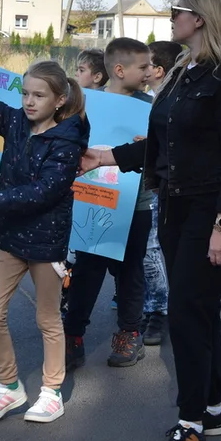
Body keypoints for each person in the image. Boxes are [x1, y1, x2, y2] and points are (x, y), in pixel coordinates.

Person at [86, 0, 221, 441]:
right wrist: (103, 157)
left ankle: (192, 426)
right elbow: (160, 146)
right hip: (177, 205)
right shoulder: (182, 72)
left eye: (178, 10)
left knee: (185, 310)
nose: (171, 17)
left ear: (200, 18)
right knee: (197, 310)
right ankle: (213, 408)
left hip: (214, 209)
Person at [0, 43, 90, 425]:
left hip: (46, 241)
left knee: (48, 319)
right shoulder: (15, 121)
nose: (29, 102)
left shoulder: (67, 141)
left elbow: (44, 191)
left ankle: (51, 392)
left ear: (60, 99)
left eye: (38, 95)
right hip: (11, 238)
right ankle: (9, 387)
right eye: (25, 94)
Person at [64, 38, 154, 370]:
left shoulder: (153, 106)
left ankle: (129, 333)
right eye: (143, 67)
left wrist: (150, 146)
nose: (149, 72)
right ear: (119, 70)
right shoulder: (88, 103)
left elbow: (162, 153)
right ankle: (72, 336)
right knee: (87, 269)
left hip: (137, 205)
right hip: (93, 200)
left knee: (131, 271)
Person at [140, 40, 182, 345]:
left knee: (151, 248)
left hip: (159, 186)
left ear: (159, 70)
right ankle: (143, 304)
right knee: (139, 250)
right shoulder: (139, 101)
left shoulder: (173, 102)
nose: (142, 70)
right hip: (132, 183)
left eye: (146, 65)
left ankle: (160, 309)